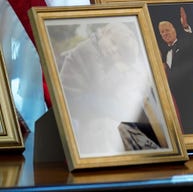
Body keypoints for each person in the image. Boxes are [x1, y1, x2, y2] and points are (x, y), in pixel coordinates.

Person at [59, 22, 166, 155]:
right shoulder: (87, 52)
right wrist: (117, 69)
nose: (114, 51)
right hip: (84, 109)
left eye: (120, 52)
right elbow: (98, 90)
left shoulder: (106, 50)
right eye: (114, 44)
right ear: (105, 33)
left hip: (101, 107)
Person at [157, 6, 193, 134]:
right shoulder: (164, 53)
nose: (165, 34)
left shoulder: (185, 44)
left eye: (167, 30)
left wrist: (185, 27)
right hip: (175, 102)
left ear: (174, 30)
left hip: (191, 98)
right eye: (162, 32)